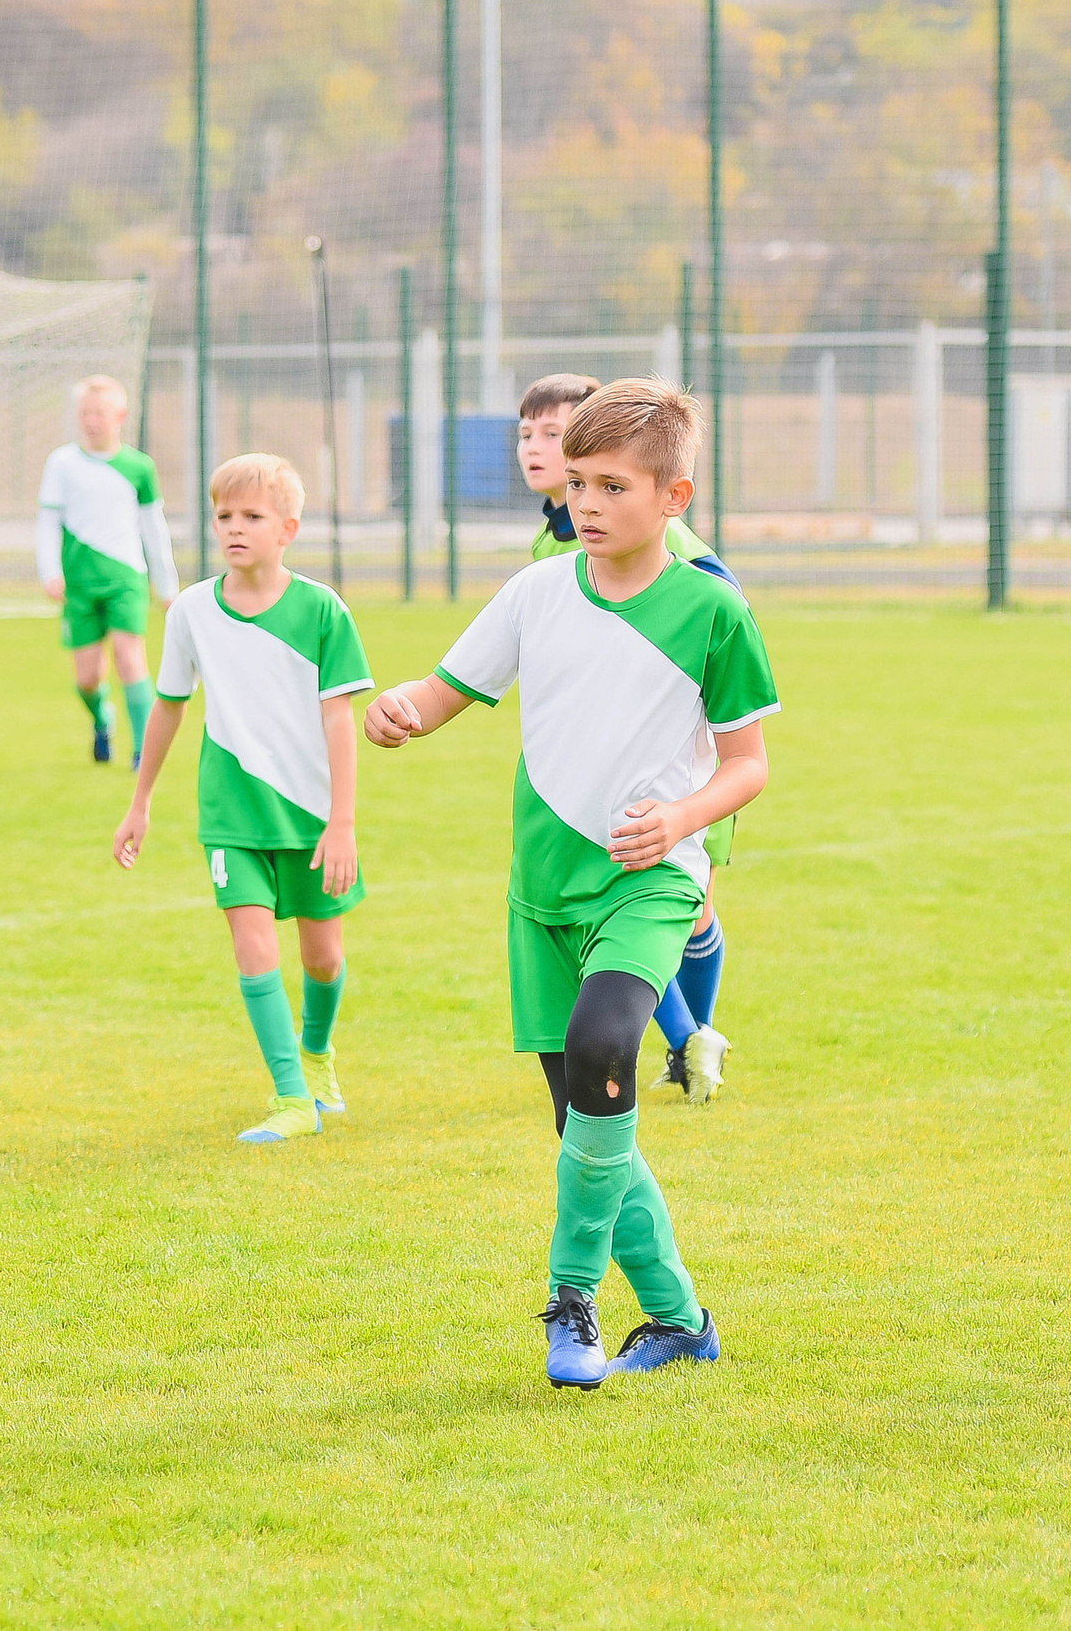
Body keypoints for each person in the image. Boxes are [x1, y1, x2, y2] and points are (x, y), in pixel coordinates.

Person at [369, 378, 776, 1388]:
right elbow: (447, 687)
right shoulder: (536, 591)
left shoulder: (711, 609)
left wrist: (681, 819)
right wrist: (402, 712)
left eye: (613, 485)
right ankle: (680, 1319)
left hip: (647, 881)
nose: (587, 503)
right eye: (580, 482)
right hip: (540, 888)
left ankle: (571, 1299)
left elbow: (748, 761)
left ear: (673, 497)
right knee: (587, 1117)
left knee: (606, 1048)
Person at [115, 453, 370, 1146]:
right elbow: (167, 709)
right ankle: (291, 1096)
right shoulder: (192, 609)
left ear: (287, 528)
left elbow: (339, 719)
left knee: (322, 957)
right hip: (231, 813)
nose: (234, 527)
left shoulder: (322, 609)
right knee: (254, 945)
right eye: (224, 515)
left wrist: (342, 822)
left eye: (252, 516)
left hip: (313, 816)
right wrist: (140, 802)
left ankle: (316, 1055)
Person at [516, 372, 739, 1104]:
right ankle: (688, 1041)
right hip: (583, 778)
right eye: (529, 433)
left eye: (554, 432)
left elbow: (713, 616)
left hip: (674, 774)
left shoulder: (683, 560)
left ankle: (690, 1035)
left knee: (680, 907)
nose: (536, 448)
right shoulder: (549, 551)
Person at [39, 375, 177, 768]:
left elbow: (154, 528)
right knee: (87, 677)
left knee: (130, 658)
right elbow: (48, 522)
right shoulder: (62, 463)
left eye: (99, 412)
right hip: (79, 584)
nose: (91, 420)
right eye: (85, 413)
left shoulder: (139, 467)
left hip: (126, 580)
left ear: (120, 415)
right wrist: (50, 571)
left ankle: (143, 750)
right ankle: (102, 719)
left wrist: (167, 585)